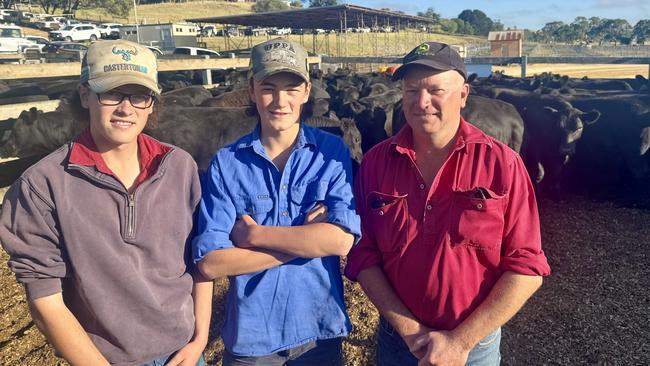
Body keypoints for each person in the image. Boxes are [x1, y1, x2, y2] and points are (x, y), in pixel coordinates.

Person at [0, 39, 212, 366]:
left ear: (152, 103)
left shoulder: (179, 166)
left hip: (183, 353)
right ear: (84, 95)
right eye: (111, 93)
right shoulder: (42, 185)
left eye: (139, 96)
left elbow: (200, 260)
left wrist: (199, 339)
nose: (126, 108)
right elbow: (46, 303)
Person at [344, 41, 551, 366]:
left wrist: (460, 342)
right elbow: (362, 252)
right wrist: (411, 332)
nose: (421, 102)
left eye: (435, 90)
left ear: (464, 95)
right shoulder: (375, 163)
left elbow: (527, 266)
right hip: (398, 343)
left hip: (473, 348)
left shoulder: (503, 164)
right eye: (412, 90)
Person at [192, 39, 360, 366]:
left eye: (292, 88)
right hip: (252, 339)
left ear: (307, 91)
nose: (280, 101)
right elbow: (212, 263)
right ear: (252, 90)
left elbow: (340, 241)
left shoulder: (332, 153)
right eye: (268, 87)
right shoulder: (227, 162)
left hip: (318, 332)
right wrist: (307, 240)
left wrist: (254, 238)